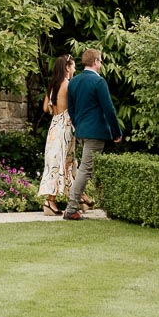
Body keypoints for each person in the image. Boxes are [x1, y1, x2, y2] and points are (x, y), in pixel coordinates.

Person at [63, 47, 122, 221]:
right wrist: (116, 132)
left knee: (88, 168)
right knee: (85, 170)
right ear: (95, 62)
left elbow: (71, 109)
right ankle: (71, 208)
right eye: (101, 61)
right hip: (95, 132)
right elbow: (108, 109)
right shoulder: (99, 82)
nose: (102, 64)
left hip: (81, 131)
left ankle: (85, 202)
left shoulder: (74, 82)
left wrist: (78, 124)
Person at [37, 54, 76, 215]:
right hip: (65, 126)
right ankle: (52, 200)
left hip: (54, 125)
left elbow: (45, 108)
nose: (74, 69)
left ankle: (53, 200)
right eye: (73, 66)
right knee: (66, 161)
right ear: (67, 67)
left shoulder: (53, 85)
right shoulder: (68, 85)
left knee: (54, 162)